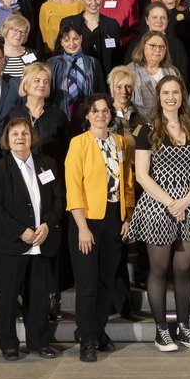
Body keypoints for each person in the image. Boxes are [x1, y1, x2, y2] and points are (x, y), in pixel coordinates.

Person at [129, 76, 190, 350]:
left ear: (182, 95)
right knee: (159, 268)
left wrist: (186, 200)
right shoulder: (147, 128)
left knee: (182, 268)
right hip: (159, 204)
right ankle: (161, 330)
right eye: (166, 92)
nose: (171, 97)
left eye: (175, 92)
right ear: (159, 96)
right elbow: (142, 175)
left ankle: (183, 328)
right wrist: (170, 202)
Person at [0, 117, 64, 361]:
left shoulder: (47, 164)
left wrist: (47, 226)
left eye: (25, 133)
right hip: (12, 244)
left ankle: (39, 342)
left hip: (42, 241)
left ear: (32, 137)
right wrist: (21, 231)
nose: (20, 137)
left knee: (38, 296)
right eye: (15, 134)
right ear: (7, 140)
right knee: (8, 297)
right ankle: (8, 344)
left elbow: (59, 200)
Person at [66, 95, 135, 360]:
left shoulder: (119, 142)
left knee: (107, 281)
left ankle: (98, 329)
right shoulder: (78, 143)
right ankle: (86, 340)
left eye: (105, 110)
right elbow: (73, 188)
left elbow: (128, 183)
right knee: (87, 284)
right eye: (95, 111)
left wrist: (128, 217)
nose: (101, 115)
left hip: (113, 219)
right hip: (87, 221)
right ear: (86, 115)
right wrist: (82, 228)